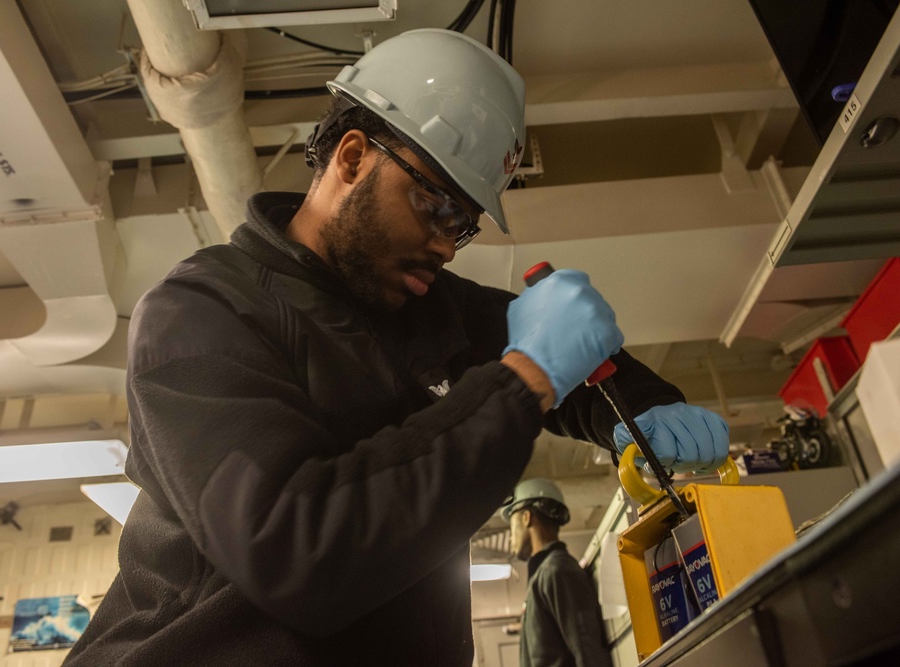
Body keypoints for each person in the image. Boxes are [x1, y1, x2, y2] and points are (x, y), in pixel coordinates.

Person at [64, 28, 728, 667]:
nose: (445, 244)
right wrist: (523, 378)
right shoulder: (201, 315)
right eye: (436, 207)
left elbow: (568, 360)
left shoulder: (427, 308)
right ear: (353, 158)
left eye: (463, 227)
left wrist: (638, 408)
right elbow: (299, 552)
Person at [503, 479, 613, 667]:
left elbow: (588, 652)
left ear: (526, 517)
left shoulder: (557, 570)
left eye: (511, 528)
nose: (510, 538)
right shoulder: (542, 577)